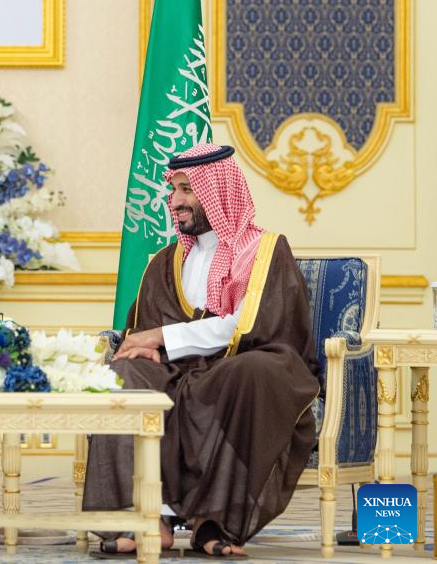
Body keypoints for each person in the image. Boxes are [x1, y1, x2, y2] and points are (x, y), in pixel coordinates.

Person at [84, 143, 318, 557]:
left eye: (187, 189)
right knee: (123, 374)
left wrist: (162, 338)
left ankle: (214, 523)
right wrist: (149, 347)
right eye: (173, 190)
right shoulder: (167, 260)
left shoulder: (264, 251)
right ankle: (144, 519)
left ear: (219, 191)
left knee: (250, 374)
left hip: (240, 363)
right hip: (178, 369)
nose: (175, 201)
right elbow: (144, 328)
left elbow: (247, 324)